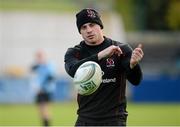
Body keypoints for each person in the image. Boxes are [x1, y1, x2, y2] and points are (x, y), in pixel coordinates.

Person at [64, 8, 144, 126]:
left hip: (114, 120)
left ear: (100, 26)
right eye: (84, 27)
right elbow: (73, 71)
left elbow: (136, 81)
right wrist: (101, 55)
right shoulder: (74, 52)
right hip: (85, 120)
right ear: (80, 31)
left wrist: (133, 65)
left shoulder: (121, 49)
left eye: (92, 25)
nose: (89, 30)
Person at [31, 50, 56, 126]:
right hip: (39, 91)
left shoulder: (48, 65)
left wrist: (42, 87)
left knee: (44, 110)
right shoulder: (37, 66)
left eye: (40, 56)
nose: (39, 58)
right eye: (38, 56)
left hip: (45, 91)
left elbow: (51, 77)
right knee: (41, 111)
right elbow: (33, 71)